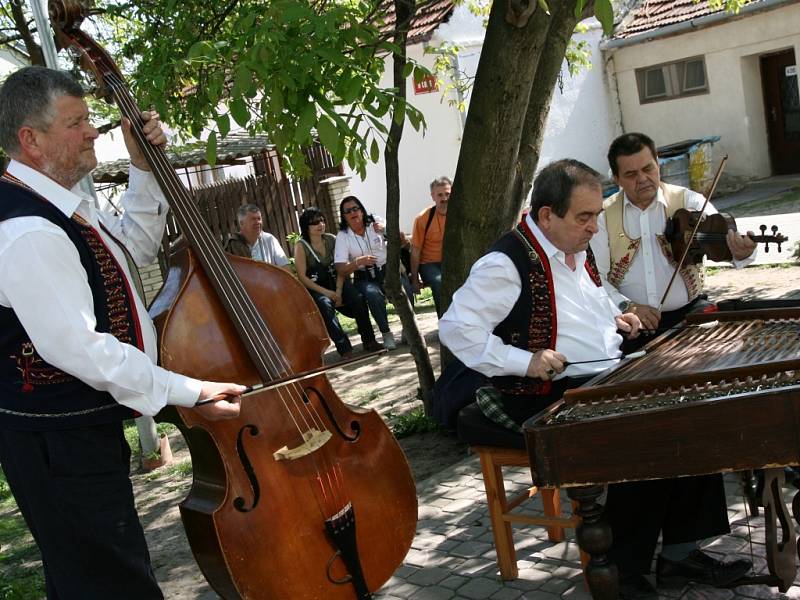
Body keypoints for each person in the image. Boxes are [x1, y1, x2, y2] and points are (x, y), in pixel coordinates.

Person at [439, 158, 750, 599]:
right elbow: (456, 329)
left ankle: (681, 555)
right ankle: (624, 574)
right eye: (584, 217)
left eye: (595, 216)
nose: (593, 228)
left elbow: (595, 297)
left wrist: (618, 316)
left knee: (688, 412)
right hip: (546, 391)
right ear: (547, 215)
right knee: (643, 434)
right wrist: (522, 361)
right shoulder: (504, 264)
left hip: (603, 371)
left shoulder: (575, 247)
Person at [0, 66, 244, 599]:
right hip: (57, 442)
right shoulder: (27, 230)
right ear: (31, 140)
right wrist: (189, 391)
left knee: (100, 576)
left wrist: (143, 169)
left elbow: (128, 256)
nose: (92, 131)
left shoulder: (59, 211)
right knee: (109, 582)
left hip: (76, 433)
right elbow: (81, 349)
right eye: (77, 122)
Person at [591, 132, 756, 335]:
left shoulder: (691, 202)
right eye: (631, 174)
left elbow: (725, 243)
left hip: (690, 314)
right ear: (617, 178)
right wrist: (627, 306)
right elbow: (596, 278)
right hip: (632, 321)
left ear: (658, 164)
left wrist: (741, 252)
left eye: (647, 168)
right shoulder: (603, 216)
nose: (642, 179)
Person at [294, 206, 382, 356]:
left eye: (322, 221)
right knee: (325, 305)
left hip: (337, 281)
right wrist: (327, 293)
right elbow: (302, 277)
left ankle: (369, 341)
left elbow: (342, 267)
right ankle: (345, 349)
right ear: (305, 226)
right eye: (315, 222)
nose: (320, 225)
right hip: (317, 287)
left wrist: (339, 290)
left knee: (357, 298)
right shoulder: (301, 246)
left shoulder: (331, 239)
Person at [334, 195, 412, 350]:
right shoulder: (343, 236)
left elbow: (403, 241)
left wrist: (386, 230)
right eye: (348, 211)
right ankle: (386, 333)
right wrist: (357, 262)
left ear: (362, 211)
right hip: (365, 276)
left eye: (355, 208)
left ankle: (408, 329)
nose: (353, 213)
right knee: (372, 294)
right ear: (344, 216)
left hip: (388, 269)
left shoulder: (375, 221)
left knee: (405, 288)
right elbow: (340, 268)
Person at [409, 176, 450, 317]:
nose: (444, 198)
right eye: (440, 195)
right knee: (439, 282)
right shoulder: (422, 218)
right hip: (429, 264)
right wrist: (415, 279)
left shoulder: (458, 214)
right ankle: (445, 323)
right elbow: (415, 250)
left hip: (451, 261)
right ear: (433, 196)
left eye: (447, 194)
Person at [226, 203, 291, 268]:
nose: (258, 222)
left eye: (259, 218)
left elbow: (286, 267)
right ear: (241, 223)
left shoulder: (269, 239)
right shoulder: (233, 245)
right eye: (253, 219)